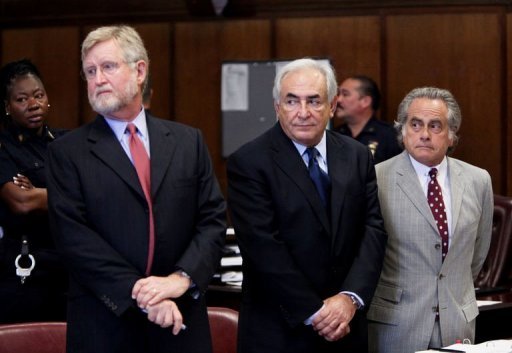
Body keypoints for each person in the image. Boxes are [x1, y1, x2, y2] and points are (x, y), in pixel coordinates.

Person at [46, 25, 226, 353]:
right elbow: (73, 239)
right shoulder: (67, 152)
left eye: (108, 67)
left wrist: (180, 280)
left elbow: (212, 221)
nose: (97, 79)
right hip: (106, 324)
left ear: (140, 70)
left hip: (181, 321)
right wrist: (142, 295)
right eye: (90, 71)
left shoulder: (189, 142)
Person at [227, 58, 388, 353]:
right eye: (292, 101)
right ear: (277, 107)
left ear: (332, 105)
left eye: (314, 101)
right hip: (280, 330)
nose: (303, 113)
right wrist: (317, 313)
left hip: (347, 326)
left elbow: (373, 230)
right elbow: (264, 247)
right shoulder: (249, 162)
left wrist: (349, 298)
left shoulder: (356, 155)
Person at [367, 87, 493, 352]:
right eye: (415, 124)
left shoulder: (478, 180)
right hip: (396, 324)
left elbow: (477, 253)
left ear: (452, 135)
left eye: (435, 126)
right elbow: (365, 257)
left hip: (457, 323)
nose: (424, 134)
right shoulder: (376, 179)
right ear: (402, 131)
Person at [0, 59, 68, 323]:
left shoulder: (67, 143)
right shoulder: (4, 150)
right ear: (7, 107)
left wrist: (40, 192)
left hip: (67, 264)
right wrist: (72, 194)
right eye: (22, 99)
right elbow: (23, 203)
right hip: (24, 269)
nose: (33, 104)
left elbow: (97, 193)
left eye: (39, 95)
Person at [335, 75, 401, 164]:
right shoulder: (334, 135)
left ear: (365, 101)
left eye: (345, 94)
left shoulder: (390, 136)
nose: (338, 100)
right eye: (338, 94)